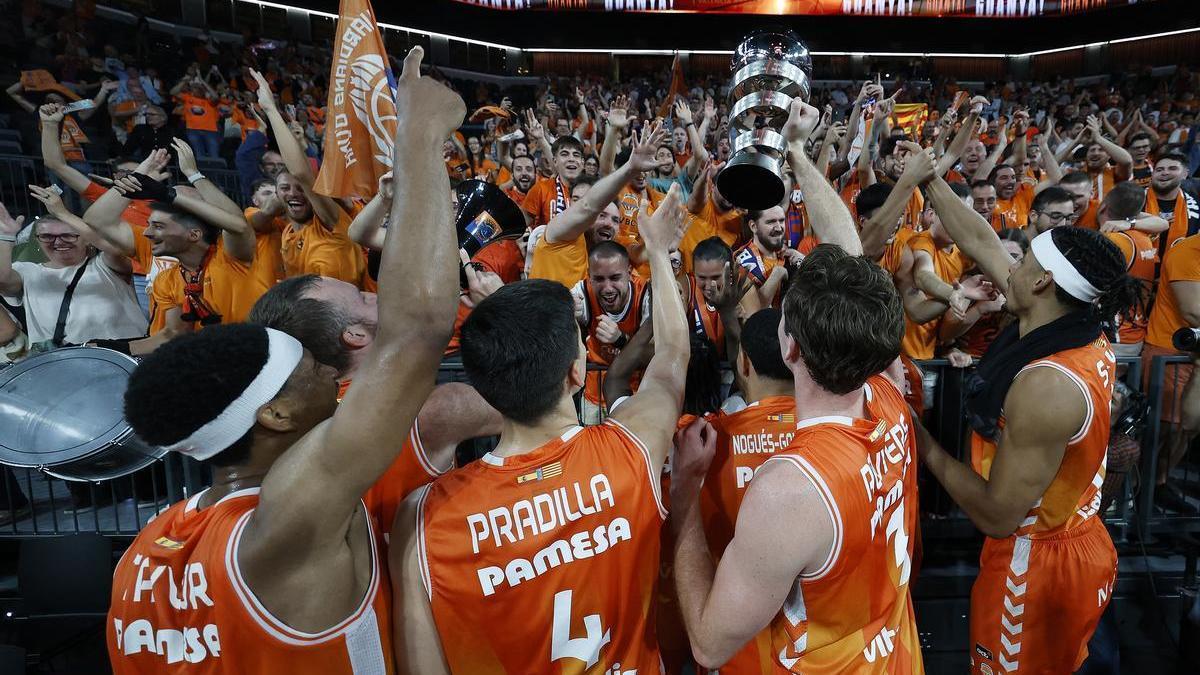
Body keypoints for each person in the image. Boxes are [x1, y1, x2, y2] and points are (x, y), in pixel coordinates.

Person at [107, 46, 463, 673]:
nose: (327, 371)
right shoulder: (290, 518)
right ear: (273, 415)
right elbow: (420, 330)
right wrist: (422, 137)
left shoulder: (147, 549)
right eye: (308, 370)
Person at [390, 184, 691, 674]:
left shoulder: (423, 521)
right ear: (577, 372)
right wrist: (657, 250)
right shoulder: (631, 452)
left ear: (484, 385)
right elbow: (672, 357)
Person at [671, 98, 922, 674]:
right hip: (894, 653)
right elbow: (852, 258)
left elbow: (709, 644)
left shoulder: (790, 489)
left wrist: (684, 498)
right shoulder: (889, 397)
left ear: (788, 349)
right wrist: (798, 153)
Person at [915, 170, 1143, 674]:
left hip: (1036, 563)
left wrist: (922, 441)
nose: (1008, 267)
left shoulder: (1047, 385)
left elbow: (997, 516)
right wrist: (928, 177)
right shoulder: (1075, 324)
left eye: (1022, 263)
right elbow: (980, 240)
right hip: (1073, 536)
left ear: (1042, 281)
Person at [250, 69, 369, 289]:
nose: (294, 193)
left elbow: (302, 173)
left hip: (346, 310)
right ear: (276, 193)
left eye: (301, 188)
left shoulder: (330, 220)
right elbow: (252, 223)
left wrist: (271, 110)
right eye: (285, 188)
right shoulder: (286, 233)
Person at [0, 190, 146, 352]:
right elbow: (3, 280)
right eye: (47, 236)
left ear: (87, 239)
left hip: (123, 356)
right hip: (64, 362)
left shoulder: (105, 264)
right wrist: (6, 237)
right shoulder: (28, 271)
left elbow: (116, 249)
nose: (58, 242)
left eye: (68, 235)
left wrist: (63, 213)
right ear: (37, 240)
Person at [527, 123, 665, 288]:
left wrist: (660, 244)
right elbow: (588, 206)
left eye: (615, 220)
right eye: (601, 215)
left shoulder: (610, 249)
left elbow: (638, 254)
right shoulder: (558, 234)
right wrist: (630, 168)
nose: (609, 223)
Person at [1143, 232, 1200, 513]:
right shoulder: (1187, 253)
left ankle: (1159, 483)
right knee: (1165, 429)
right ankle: (1139, 490)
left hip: (1192, 355)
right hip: (1171, 351)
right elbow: (1194, 312)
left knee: (1189, 428)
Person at [735, 206, 801, 311]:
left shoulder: (791, 257)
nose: (779, 228)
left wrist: (804, 262)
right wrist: (777, 274)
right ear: (753, 226)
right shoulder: (741, 264)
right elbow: (753, 314)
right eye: (771, 222)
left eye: (781, 220)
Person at [1145, 152, 1200, 253]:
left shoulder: (1196, 205)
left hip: (1181, 261)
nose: (1165, 173)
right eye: (1159, 170)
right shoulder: (1135, 200)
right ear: (1152, 174)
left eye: (1172, 168)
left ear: (1185, 174)